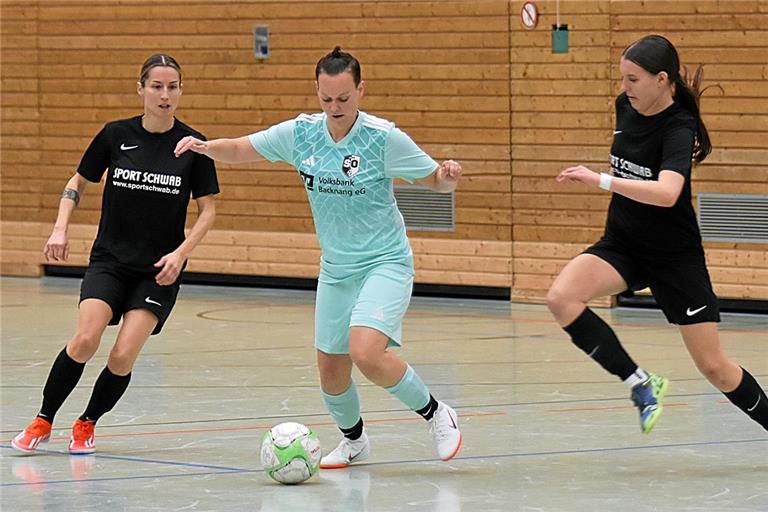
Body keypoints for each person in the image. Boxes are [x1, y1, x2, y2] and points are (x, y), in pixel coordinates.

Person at [174, 47, 463, 466]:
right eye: (326, 99)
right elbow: (242, 149)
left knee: (365, 352)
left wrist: (447, 177)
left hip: (384, 262)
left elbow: (435, 180)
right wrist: (205, 147)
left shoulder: (382, 138)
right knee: (331, 369)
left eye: (344, 99)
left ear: (360, 90)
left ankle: (437, 414)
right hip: (336, 269)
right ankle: (355, 442)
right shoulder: (302, 133)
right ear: (317, 92)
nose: (335, 107)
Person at [547, 35, 768, 434]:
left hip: (674, 257)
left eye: (632, 80)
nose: (624, 88)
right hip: (624, 243)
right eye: (622, 79)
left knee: (715, 367)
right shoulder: (625, 107)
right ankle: (640, 383)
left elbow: (668, 193)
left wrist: (601, 180)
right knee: (561, 298)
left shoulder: (679, 128)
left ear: (661, 79)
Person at [11, 54, 220, 454]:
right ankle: (43, 419)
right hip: (110, 260)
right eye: (156, 86)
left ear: (181, 91)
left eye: (172, 87)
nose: (164, 95)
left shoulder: (192, 146)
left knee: (123, 354)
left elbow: (208, 210)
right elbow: (79, 180)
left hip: (157, 271)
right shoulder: (115, 134)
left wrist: (180, 254)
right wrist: (60, 226)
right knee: (86, 339)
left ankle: (87, 423)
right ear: (140, 89)